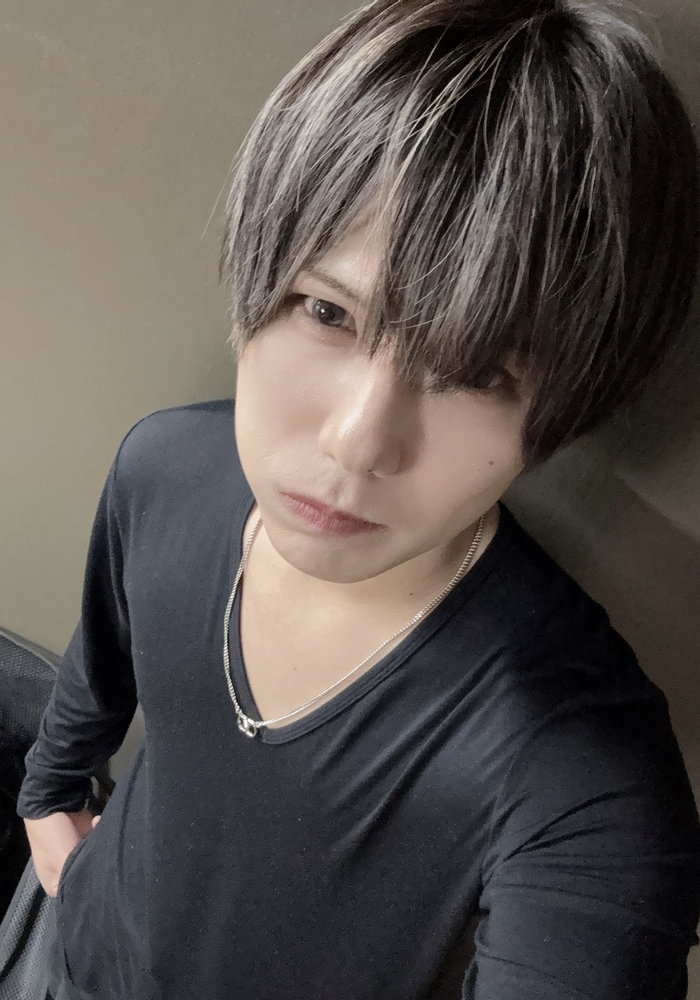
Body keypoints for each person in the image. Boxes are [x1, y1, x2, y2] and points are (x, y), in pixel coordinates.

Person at [15, 0, 700, 996]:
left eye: (477, 372)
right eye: (327, 311)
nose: (358, 440)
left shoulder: (581, 774)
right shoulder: (165, 468)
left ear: (562, 411)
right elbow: (103, 660)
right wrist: (48, 798)